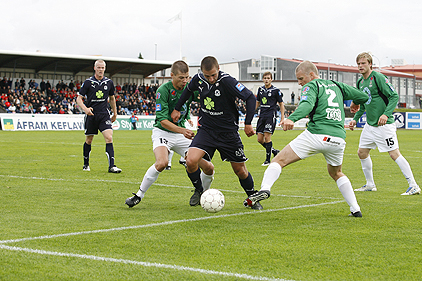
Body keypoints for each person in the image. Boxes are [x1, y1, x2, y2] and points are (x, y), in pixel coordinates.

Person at [244, 60, 369, 217]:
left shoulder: (312, 86)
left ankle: (265, 189)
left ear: (311, 74)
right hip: (338, 139)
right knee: (337, 173)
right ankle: (355, 209)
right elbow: (363, 96)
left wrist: (292, 118)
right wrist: (355, 103)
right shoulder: (336, 85)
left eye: (301, 79)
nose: (300, 83)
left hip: (316, 134)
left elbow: (307, 105)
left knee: (278, 161)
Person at [171, 56, 262, 209]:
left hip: (228, 132)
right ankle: (199, 190)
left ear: (218, 68)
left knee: (240, 170)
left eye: (214, 75)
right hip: (207, 130)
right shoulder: (198, 79)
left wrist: (248, 123)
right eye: (208, 76)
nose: (211, 79)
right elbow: (187, 91)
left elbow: (249, 98)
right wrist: (177, 108)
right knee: (191, 160)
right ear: (202, 72)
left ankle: (252, 197)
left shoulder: (227, 81)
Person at [125, 60, 214, 208]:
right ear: (172, 75)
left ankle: (202, 193)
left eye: (187, 77)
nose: (185, 81)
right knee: (162, 163)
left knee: (209, 167)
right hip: (163, 132)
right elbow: (162, 120)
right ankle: (138, 195)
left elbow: (205, 97)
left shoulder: (189, 88)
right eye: (181, 78)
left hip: (180, 134)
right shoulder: (163, 90)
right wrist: (183, 130)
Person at [349, 52, 420, 195]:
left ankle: (413, 185)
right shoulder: (360, 82)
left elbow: (394, 96)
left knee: (394, 154)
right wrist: (355, 119)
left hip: (384, 126)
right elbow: (363, 104)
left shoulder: (378, 77)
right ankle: (370, 184)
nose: (361, 66)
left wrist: (386, 114)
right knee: (362, 152)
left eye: (363, 63)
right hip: (370, 125)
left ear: (370, 64)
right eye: (358, 64)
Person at [76, 59, 122, 173]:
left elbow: (112, 98)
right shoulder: (88, 82)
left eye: (102, 68)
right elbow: (79, 98)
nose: (100, 70)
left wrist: (115, 113)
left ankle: (112, 166)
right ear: (94, 68)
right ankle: (86, 164)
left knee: (109, 137)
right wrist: (85, 109)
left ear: (105, 69)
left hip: (104, 114)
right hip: (91, 115)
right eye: (99, 67)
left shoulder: (109, 82)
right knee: (89, 140)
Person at [256, 71, 285, 166]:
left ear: (271, 79)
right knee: (260, 139)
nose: (266, 80)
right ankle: (274, 151)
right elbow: (258, 102)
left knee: (267, 137)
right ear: (263, 79)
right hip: (262, 116)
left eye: (268, 78)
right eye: (265, 78)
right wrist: (251, 112)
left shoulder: (276, 90)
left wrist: (282, 117)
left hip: (270, 116)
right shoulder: (260, 89)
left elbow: (281, 104)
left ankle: (268, 160)